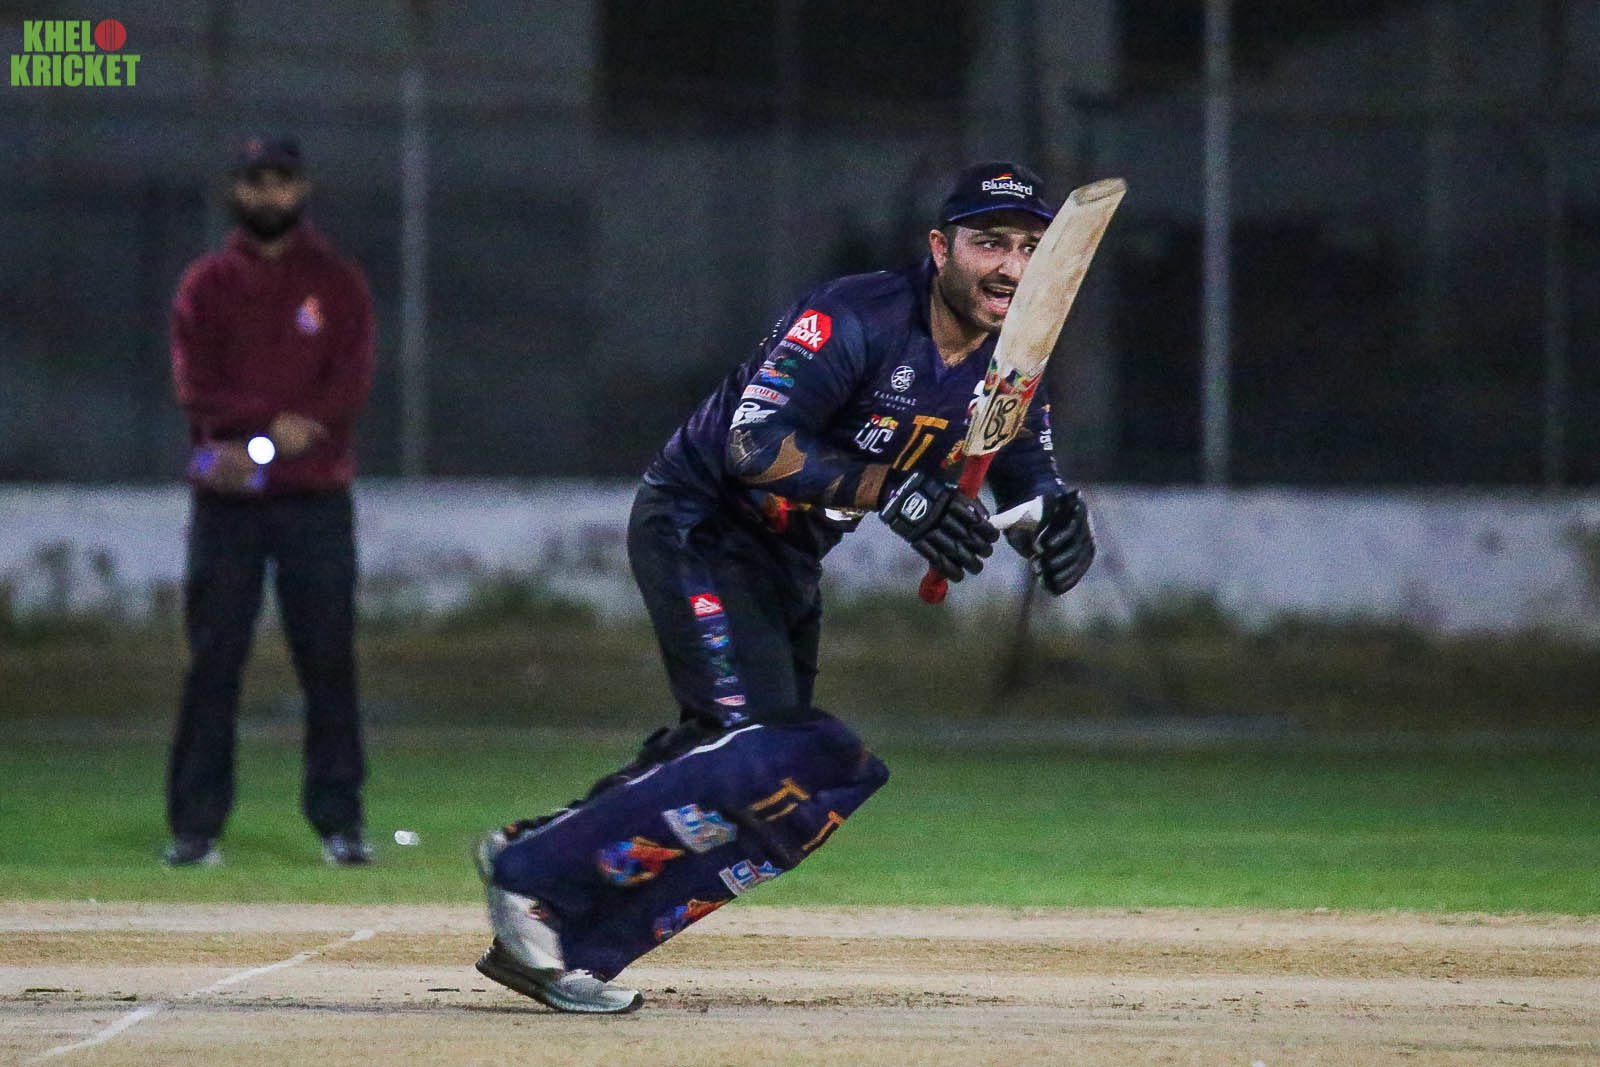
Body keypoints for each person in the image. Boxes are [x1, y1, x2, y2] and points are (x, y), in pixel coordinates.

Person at [470, 160, 1095, 1012]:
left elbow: (1020, 465)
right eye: (990, 243)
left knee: (801, 781)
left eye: (1029, 248)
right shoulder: (852, 317)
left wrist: (1049, 518)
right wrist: (894, 489)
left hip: (788, 555)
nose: (1012, 268)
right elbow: (752, 442)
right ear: (940, 247)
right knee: (763, 748)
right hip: (702, 523)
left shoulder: (1013, 354)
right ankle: (529, 875)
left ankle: (560, 926)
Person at [163, 135, 376, 868]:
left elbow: (347, 386)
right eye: (255, 180)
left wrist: (273, 435)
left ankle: (340, 823)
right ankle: (195, 828)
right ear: (237, 189)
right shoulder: (207, 284)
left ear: (301, 187)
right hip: (228, 499)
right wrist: (267, 427)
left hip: (316, 497)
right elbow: (196, 388)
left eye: (280, 180)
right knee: (213, 660)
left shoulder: (337, 282)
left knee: (328, 660)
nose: (268, 194)